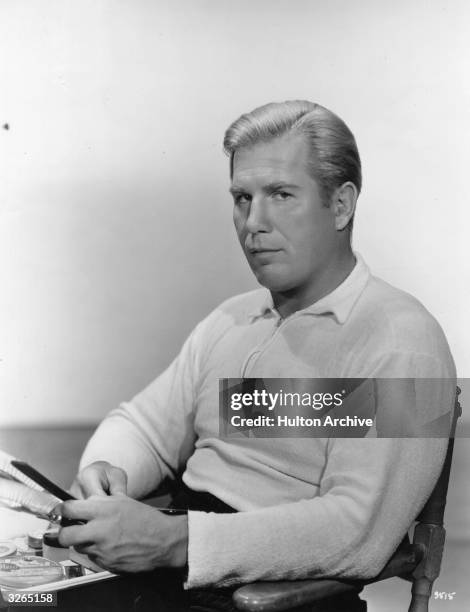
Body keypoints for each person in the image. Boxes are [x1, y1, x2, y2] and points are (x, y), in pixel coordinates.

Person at [58, 101, 456, 611]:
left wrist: (174, 541)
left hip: (276, 598)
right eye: (242, 197)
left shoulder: (402, 340)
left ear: (341, 205)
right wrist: (106, 472)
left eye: (281, 195)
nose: (254, 222)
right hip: (172, 570)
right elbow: (142, 425)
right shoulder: (232, 319)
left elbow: (357, 531)